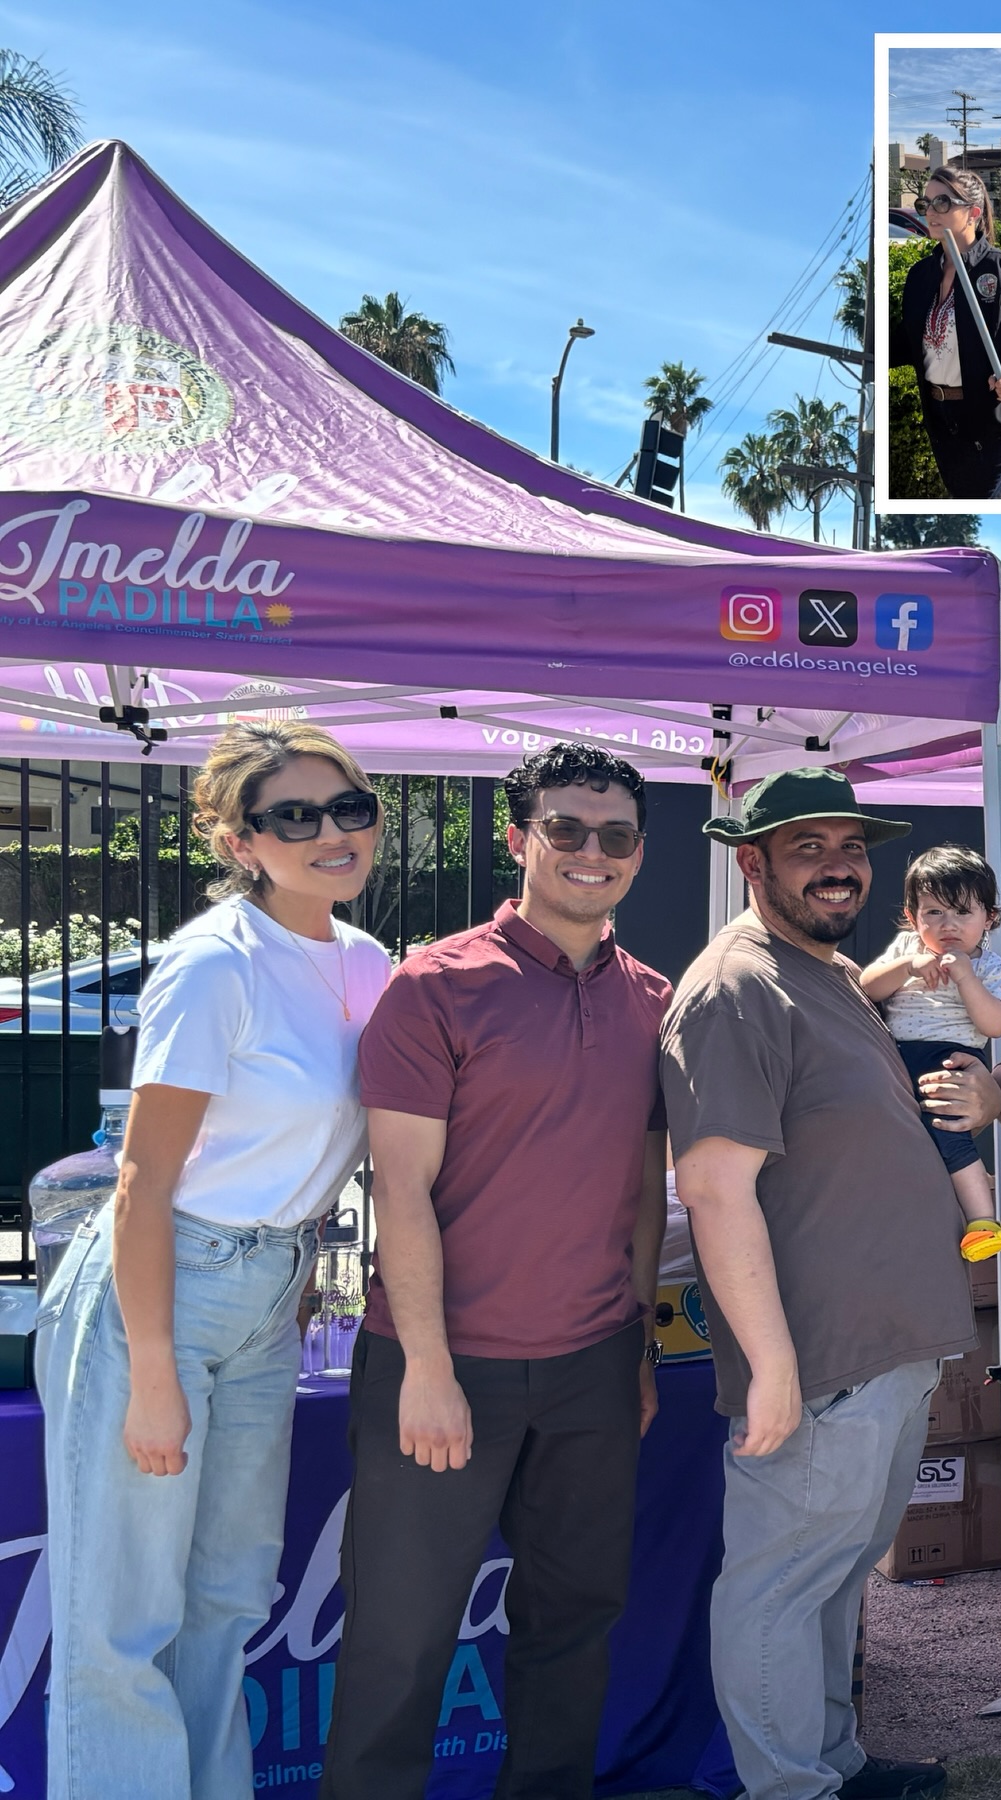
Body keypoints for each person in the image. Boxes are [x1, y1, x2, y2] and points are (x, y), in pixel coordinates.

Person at [35, 721, 390, 1800]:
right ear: (240, 840)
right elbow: (141, 1182)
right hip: (165, 1290)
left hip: (270, 1290)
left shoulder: (366, 960)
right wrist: (151, 1372)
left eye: (349, 808)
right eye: (296, 815)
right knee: (123, 1614)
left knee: (227, 1600)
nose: (331, 832)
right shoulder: (211, 965)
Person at [320, 742, 670, 1800]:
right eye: (564, 829)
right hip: (442, 1364)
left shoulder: (653, 999)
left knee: (573, 1628)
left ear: (639, 854)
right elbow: (401, 1190)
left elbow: (645, 1192)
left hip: (595, 1367)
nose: (590, 853)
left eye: (614, 835)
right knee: (399, 1639)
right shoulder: (434, 988)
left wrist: (639, 1351)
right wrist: (426, 1365)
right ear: (517, 839)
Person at [661, 767, 978, 1800]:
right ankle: (788, 1785)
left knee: (836, 1575)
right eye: (808, 846)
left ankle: (832, 1762)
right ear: (751, 863)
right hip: (819, 1359)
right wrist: (772, 1365)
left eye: (851, 846)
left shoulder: (830, 972)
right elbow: (714, 1188)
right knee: (778, 1586)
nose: (837, 864)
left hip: (884, 1347)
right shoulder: (734, 988)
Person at [860, 843, 1001, 1263]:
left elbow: (995, 1025)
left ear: (989, 918)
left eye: (963, 912)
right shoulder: (906, 949)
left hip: (949, 1060)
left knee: (950, 1134)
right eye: (934, 912)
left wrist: (966, 979)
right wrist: (907, 966)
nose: (949, 924)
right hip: (891, 1055)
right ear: (912, 917)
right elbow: (866, 987)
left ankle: (982, 1220)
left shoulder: (990, 968)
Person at [893, 163, 1001, 498]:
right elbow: (909, 342)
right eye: (926, 204)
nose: (931, 212)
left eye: (943, 203)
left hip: (994, 418)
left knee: (977, 501)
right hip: (942, 420)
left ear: (973, 213)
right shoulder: (920, 276)